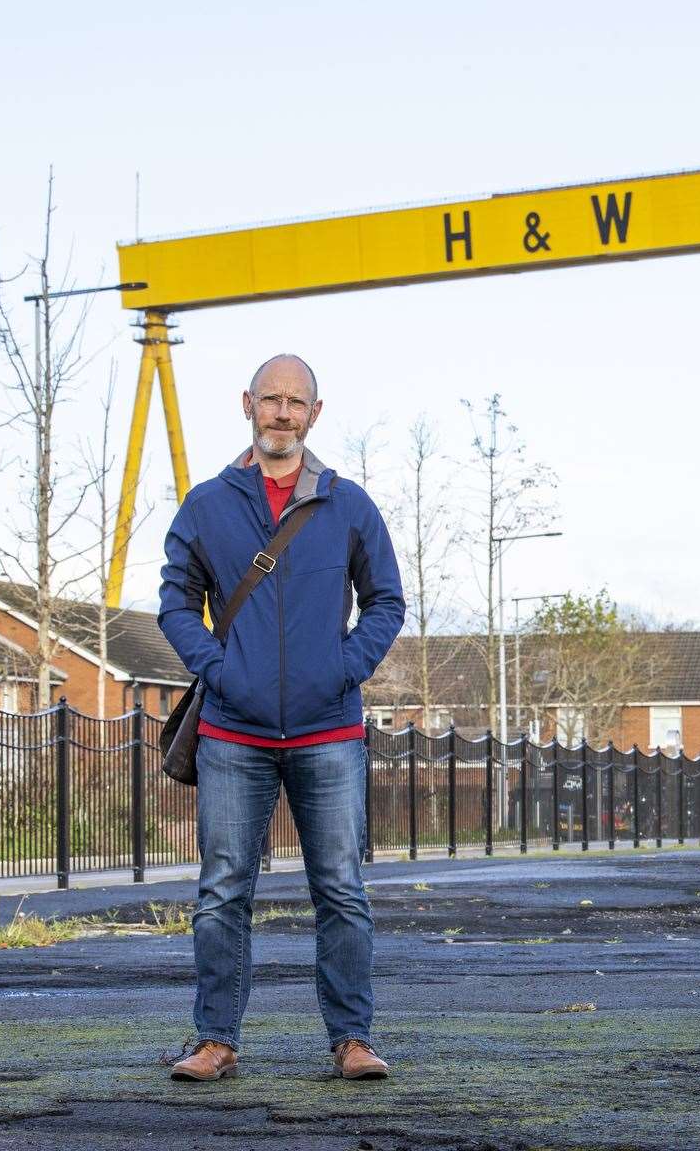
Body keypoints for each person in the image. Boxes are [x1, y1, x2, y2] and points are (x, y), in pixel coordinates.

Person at [158, 354, 405, 1082]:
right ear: (247, 405)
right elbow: (175, 602)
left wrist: (343, 668)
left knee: (340, 888)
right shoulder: (207, 504)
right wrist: (217, 668)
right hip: (233, 731)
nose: (283, 413)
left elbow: (386, 600)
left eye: (297, 402)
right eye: (271, 399)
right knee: (223, 889)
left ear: (315, 415)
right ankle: (216, 1042)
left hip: (329, 730)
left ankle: (352, 1040)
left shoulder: (349, 505)